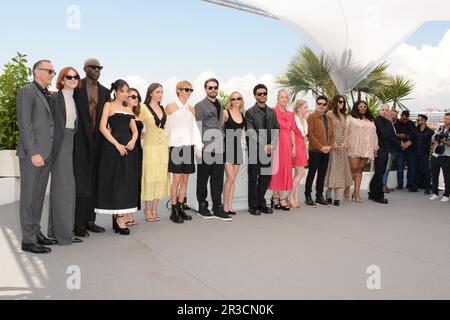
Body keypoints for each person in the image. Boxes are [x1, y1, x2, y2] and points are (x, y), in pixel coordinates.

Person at [16, 60, 57, 254]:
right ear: (36, 72)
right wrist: (34, 152)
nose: (52, 74)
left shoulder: (46, 94)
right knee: (29, 197)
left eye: (53, 71)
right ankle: (28, 239)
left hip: (46, 154)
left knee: (39, 196)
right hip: (34, 155)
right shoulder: (27, 91)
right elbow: (25, 125)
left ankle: (36, 231)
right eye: (49, 71)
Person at [94, 79, 139, 235]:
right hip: (113, 148)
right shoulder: (109, 105)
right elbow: (102, 127)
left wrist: (133, 140)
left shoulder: (128, 108)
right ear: (116, 92)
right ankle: (119, 218)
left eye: (127, 91)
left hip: (129, 149)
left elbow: (135, 130)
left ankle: (121, 216)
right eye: (122, 91)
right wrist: (116, 144)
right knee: (115, 181)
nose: (126, 94)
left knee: (126, 182)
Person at [73, 58, 110, 237]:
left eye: (99, 67)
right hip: (79, 140)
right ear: (85, 68)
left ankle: (90, 220)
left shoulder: (105, 91)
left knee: (95, 179)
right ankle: (77, 222)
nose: (97, 70)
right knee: (81, 181)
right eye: (93, 67)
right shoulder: (76, 87)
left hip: (99, 140)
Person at [48, 67, 83, 245]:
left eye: (76, 76)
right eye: (69, 76)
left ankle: (57, 232)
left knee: (64, 188)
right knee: (64, 188)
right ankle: (64, 235)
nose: (73, 79)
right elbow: (50, 125)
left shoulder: (72, 98)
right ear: (62, 79)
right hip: (60, 145)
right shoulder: (55, 98)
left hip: (69, 143)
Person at [165, 81, 203, 223]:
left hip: (188, 147)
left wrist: (198, 145)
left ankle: (181, 207)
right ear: (178, 90)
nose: (188, 92)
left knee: (185, 179)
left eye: (190, 90)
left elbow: (194, 129)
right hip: (175, 146)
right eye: (186, 89)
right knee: (176, 179)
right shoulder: (170, 107)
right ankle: (174, 209)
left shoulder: (192, 109)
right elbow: (165, 128)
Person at [195, 78, 230, 221]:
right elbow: (197, 127)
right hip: (205, 147)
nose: (213, 90)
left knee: (217, 179)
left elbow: (220, 125)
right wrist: (199, 146)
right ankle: (202, 206)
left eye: (215, 87)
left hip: (219, 147)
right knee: (203, 178)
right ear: (205, 89)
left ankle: (217, 207)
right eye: (210, 88)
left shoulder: (220, 105)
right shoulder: (200, 105)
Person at [245, 84, 279, 215]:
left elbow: (276, 130)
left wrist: (272, 145)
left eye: (264, 93)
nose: (262, 95)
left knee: (266, 177)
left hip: (268, 151)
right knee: (253, 178)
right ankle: (253, 206)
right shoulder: (250, 112)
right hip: (255, 151)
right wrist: (264, 145)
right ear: (255, 96)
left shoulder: (272, 112)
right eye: (259, 94)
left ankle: (261, 202)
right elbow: (250, 131)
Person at [140, 83, 170, 222]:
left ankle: (155, 209)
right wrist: (139, 132)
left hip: (163, 147)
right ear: (150, 93)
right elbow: (134, 122)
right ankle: (147, 209)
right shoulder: (143, 108)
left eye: (162, 92)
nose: (160, 94)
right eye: (157, 92)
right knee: (150, 176)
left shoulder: (163, 109)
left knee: (160, 177)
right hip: (150, 147)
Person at [304, 95, 334, 207]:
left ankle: (319, 196)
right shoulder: (311, 117)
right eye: (319, 104)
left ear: (326, 106)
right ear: (316, 104)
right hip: (315, 151)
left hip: (327, 151)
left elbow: (332, 135)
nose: (321, 106)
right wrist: (321, 147)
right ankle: (308, 196)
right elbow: (310, 135)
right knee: (312, 173)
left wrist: (329, 146)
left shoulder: (328, 119)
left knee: (322, 174)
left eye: (324, 104)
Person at [346, 100, 378, 203]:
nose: (363, 107)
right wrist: (344, 144)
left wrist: (375, 147)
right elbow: (345, 132)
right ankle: (347, 189)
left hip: (366, 148)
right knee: (354, 168)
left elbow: (374, 135)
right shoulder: (350, 119)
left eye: (365, 106)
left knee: (359, 170)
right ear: (356, 107)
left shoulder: (370, 121)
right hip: (353, 146)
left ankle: (356, 193)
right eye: (360, 106)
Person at [268, 89, 296, 211]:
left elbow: (292, 131)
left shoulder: (290, 114)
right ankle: (280, 197)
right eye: (282, 97)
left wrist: (294, 146)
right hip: (276, 144)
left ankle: (276, 197)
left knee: (285, 170)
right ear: (278, 98)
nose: (284, 99)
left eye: (286, 97)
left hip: (287, 145)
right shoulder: (272, 112)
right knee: (276, 171)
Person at [368, 104, 400, 204]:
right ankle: (378, 196)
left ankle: (372, 193)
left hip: (385, 150)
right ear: (379, 110)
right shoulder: (375, 121)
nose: (385, 111)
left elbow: (392, 137)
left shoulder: (388, 122)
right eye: (383, 110)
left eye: (387, 110)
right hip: (378, 150)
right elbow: (385, 133)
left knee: (380, 172)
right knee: (380, 172)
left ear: (389, 111)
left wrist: (401, 144)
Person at [324, 95, 352, 206]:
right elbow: (327, 130)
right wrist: (332, 143)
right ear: (336, 102)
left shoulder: (344, 116)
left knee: (339, 172)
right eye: (340, 101)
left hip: (342, 147)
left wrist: (345, 142)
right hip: (332, 146)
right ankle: (332, 193)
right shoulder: (329, 114)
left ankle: (332, 193)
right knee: (332, 170)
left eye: (343, 102)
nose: (342, 103)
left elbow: (346, 131)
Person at [223, 92, 246, 215]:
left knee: (233, 179)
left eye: (238, 98)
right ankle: (225, 206)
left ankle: (230, 205)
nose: (236, 100)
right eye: (233, 98)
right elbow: (218, 130)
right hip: (227, 148)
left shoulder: (243, 115)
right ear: (230, 100)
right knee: (230, 177)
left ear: (241, 100)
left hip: (238, 149)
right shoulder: (225, 112)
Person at [124, 88, 143, 226]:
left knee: (133, 182)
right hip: (127, 149)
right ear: (125, 98)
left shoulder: (136, 114)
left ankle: (129, 212)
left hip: (137, 150)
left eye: (138, 97)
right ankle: (123, 214)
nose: (136, 99)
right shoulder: (122, 113)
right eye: (133, 96)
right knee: (126, 181)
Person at [290, 99, 309, 208]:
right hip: (296, 147)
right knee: (301, 173)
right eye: (305, 107)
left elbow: (304, 135)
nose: (307, 109)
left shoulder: (304, 120)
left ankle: (295, 199)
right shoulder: (294, 118)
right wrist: (294, 147)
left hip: (302, 147)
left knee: (297, 174)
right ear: (299, 108)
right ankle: (290, 196)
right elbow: (292, 132)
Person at [429, 113, 450, 203]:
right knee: (434, 175)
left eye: (448, 119)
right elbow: (433, 139)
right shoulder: (440, 128)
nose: (445, 120)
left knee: (447, 176)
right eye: (444, 118)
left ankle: (446, 194)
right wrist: (436, 137)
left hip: (447, 155)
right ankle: (435, 193)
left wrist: (445, 141)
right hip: (436, 155)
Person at [394, 110, 417, 192]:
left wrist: (406, 138)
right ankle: (400, 184)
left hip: (410, 148)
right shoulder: (396, 124)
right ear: (401, 116)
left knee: (411, 166)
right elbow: (393, 135)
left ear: (408, 117)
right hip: (399, 148)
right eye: (403, 118)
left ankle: (409, 184)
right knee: (400, 166)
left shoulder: (411, 123)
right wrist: (399, 136)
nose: (404, 120)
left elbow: (414, 135)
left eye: (406, 119)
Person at [414, 114, 434, 195]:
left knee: (426, 171)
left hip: (425, 154)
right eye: (417, 120)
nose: (417, 121)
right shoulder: (415, 130)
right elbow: (411, 139)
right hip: (415, 153)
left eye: (419, 120)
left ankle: (427, 188)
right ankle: (415, 186)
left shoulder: (430, 131)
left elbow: (433, 143)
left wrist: (431, 154)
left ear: (424, 121)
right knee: (415, 170)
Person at [382, 109, 399, 193]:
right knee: (385, 168)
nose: (394, 117)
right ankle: (383, 186)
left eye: (395, 116)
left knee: (387, 168)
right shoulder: (386, 124)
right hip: (387, 149)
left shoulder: (392, 125)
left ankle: (384, 185)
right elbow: (390, 137)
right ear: (388, 114)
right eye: (392, 114)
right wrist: (400, 144)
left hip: (391, 149)